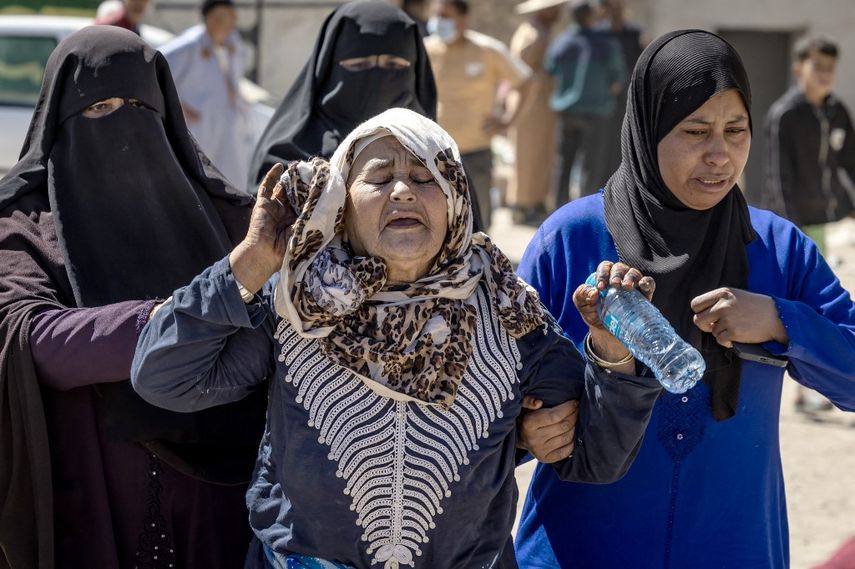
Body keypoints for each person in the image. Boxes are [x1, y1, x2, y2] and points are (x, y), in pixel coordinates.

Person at [131, 107, 664, 568]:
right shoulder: (297, 303)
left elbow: (595, 458)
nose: (404, 190)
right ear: (342, 201)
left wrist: (611, 353)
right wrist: (249, 264)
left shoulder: (507, 309)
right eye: (380, 177)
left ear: (455, 195)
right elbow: (163, 377)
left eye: (426, 177)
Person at [513, 30, 855, 568]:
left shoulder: (779, 251)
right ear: (649, 130)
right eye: (695, 131)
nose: (720, 155)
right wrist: (524, 433)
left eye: (735, 130)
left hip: (732, 549)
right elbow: (486, 390)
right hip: (580, 551)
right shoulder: (571, 240)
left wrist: (780, 320)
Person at [0, 26, 266, 568]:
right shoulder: (24, 224)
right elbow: (30, 337)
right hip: (94, 493)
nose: (120, 124)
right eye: (98, 110)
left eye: (136, 107)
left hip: (224, 496)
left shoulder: (228, 216)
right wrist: (176, 317)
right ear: (59, 122)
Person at [760, 36, 855, 414]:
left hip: (830, 220)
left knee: (825, 305)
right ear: (799, 68)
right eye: (818, 67)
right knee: (800, 305)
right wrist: (789, 231)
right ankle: (802, 393)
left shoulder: (837, 112)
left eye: (830, 68)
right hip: (797, 226)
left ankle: (815, 387)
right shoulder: (784, 114)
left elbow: (849, 162)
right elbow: (776, 177)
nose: (825, 75)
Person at [248, 1, 435, 183]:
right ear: (330, 69)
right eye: (361, 65)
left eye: (393, 65)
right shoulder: (286, 161)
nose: (376, 80)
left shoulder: (434, 156)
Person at [424, 0, 532, 229]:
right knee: (438, 219)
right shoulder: (426, 49)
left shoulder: (488, 50)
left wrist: (508, 121)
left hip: (476, 151)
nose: (439, 22)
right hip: (434, 151)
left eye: (446, 16)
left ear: (463, 19)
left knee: (479, 218)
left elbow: (525, 82)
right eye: (437, 15)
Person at [161, 0, 254, 188]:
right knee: (200, 179)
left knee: (233, 179)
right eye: (229, 16)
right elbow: (159, 72)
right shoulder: (190, 44)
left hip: (229, 124)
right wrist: (180, 108)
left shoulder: (233, 43)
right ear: (213, 18)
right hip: (200, 126)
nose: (234, 20)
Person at [546, 0, 625, 209]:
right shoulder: (606, 43)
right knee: (591, 166)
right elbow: (618, 79)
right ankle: (585, 211)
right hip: (596, 112)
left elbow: (550, 69)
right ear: (591, 16)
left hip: (568, 110)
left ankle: (559, 209)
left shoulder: (562, 41)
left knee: (564, 163)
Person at [505, 0, 565, 226]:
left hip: (542, 103)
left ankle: (536, 201)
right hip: (530, 102)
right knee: (527, 154)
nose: (560, 12)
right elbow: (520, 71)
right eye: (555, 7)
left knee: (541, 153)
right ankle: (521, 205)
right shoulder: (531, 34)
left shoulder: (543, 31)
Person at [597, 0, 644, 179]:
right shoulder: (598, 34)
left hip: (625, 98)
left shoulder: (634, 33)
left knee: (622, 143)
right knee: (600, 146)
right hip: (601, 98)